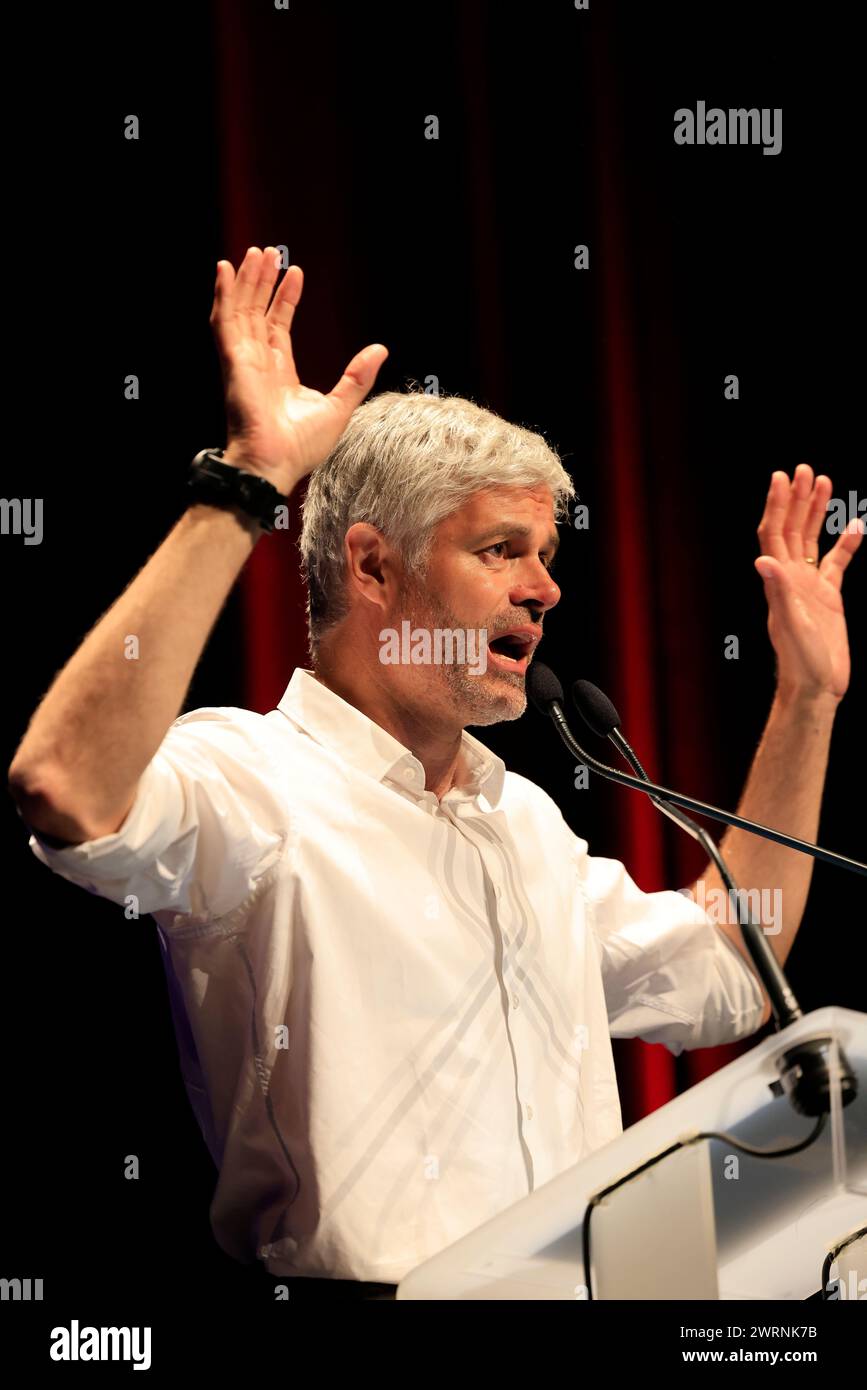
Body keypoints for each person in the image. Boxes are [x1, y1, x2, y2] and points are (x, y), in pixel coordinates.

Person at [8, 248, 861, 1299]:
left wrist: (806, 702)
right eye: (502, 550)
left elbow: (737, 966)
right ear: (371, 566)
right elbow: (65, 787)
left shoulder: (529, 823)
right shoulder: (254, 779)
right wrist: (248, 479)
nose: (545, 589)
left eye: (548, 554)